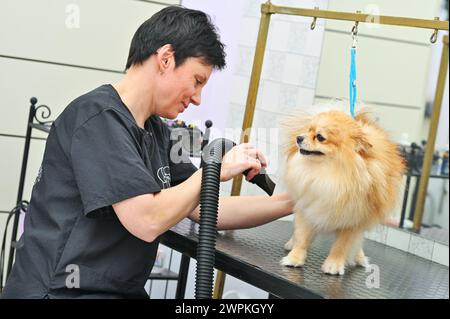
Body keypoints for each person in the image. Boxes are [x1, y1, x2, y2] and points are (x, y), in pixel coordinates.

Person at [2, 6, 293, 299]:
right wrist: (214, 168)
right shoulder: (97, 118)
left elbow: (208, 209)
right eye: (197, 80)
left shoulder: (156, 131)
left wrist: (295, 203)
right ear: (166, 59)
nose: (196, 97)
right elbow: (146, 221)